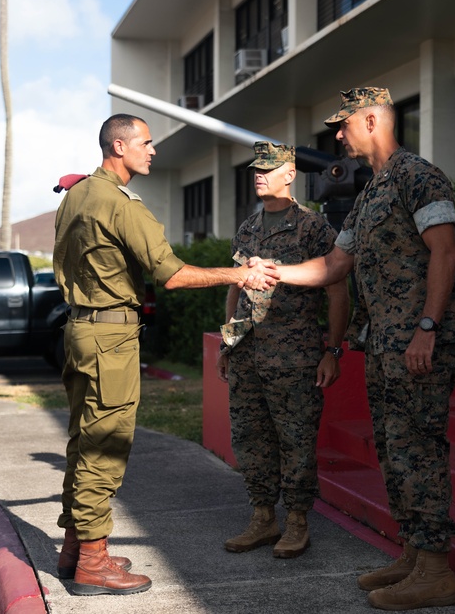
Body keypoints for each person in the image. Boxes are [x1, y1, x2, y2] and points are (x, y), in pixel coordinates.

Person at [261, 88, 455, 610]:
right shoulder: (372, 192)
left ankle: (437, 569)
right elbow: (334, 265)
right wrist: (271, 272)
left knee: (419, 449)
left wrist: (427, 327)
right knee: (395, 451)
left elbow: (445, 251)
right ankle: (414, 555)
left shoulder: (419, 176)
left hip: (417, 344)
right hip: (383, 346)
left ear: (372, 121)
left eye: (343, 124)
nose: (337, 135)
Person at [52, 113, 277, 597]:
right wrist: (239, 275)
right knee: (104, 448)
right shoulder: (121, 203)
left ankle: (76, 548)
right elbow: (172, 275)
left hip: (80, 331)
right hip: (110, 339)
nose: (153, 151)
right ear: (118, 146)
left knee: (82, 441)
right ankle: (93, 562)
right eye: (146, 143)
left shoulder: (76, 194)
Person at [216, 141, 349, 559]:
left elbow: (337, 289)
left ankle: (296, 521)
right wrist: (228, 340)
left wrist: (333, 349)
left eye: (268, 168)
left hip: (294, 356)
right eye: (256, 168)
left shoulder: (313, 228)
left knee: (295, 440)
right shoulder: (248, 228)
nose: (258, 174)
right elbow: (237, 286)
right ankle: (262, 517)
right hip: (249, 354)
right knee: (251, 437)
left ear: (290, 174)